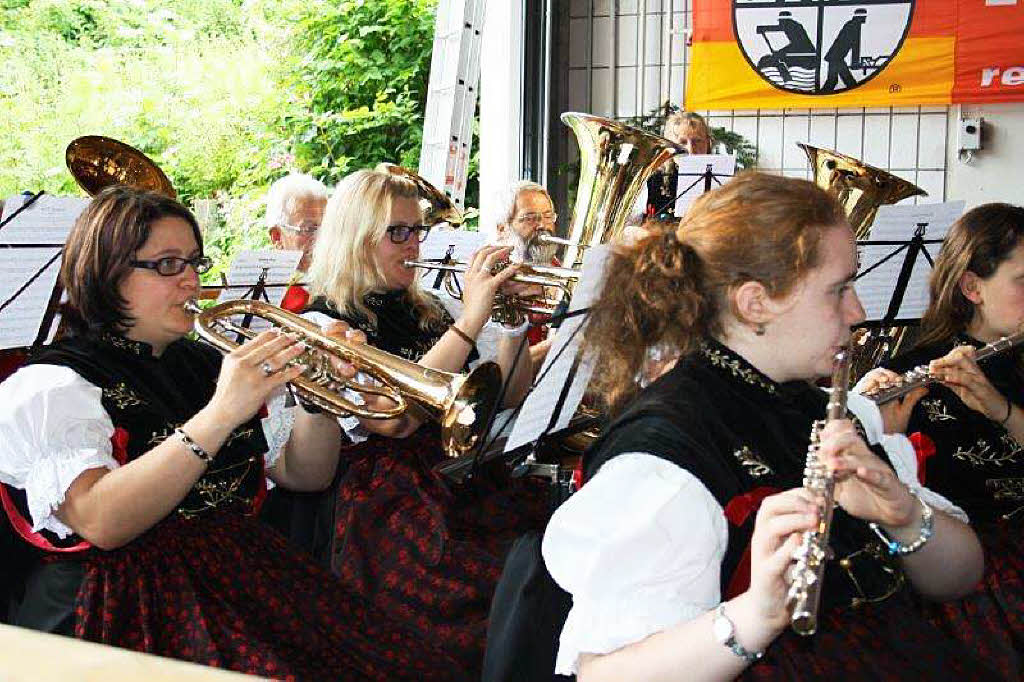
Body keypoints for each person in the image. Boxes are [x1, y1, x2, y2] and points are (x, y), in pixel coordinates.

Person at [535, 173, 995, 681]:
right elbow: (605, 674)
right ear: (755, 303)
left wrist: (905, 515)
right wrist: (757, 614)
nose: (858, 312)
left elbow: (960, 577)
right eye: (838, 290)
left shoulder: (819, 406)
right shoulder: (662, 459)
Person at [0, 186, 465, 681]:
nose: (191, 281)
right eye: (167, 265)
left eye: (194, 263)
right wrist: (222, 412)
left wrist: (318, 394)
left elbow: (305, 476)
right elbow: (100, 521)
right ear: (108, 272)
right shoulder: (55, 384)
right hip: (124, 601)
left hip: (235, 564)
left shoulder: (203, 361)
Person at [303, 168, 548, 677]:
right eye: (399, 232)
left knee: (541, 556)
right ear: (355, 235)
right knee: (480, 587)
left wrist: (512, 323)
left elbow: (509, 393)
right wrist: (472, 318)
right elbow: (396, 420)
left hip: (457, 469)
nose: (414, 243)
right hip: (384, 494)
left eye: (418, 230)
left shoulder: (431, 306)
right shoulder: (329, 320)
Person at [858, 202, 1024, 678]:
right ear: (973, 287)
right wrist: (878, 425)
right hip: (969, 570)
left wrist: (999, 408)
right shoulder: (925, 367)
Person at [266, 171, 328, 312]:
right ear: (277, 236)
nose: (321, 237)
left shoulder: (342, 279)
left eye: (326, 227)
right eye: (309, 228)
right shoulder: (265, 294)